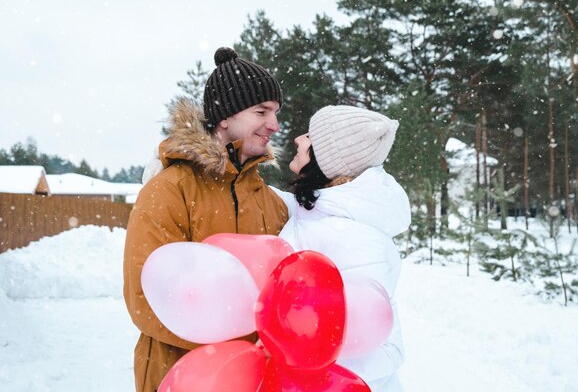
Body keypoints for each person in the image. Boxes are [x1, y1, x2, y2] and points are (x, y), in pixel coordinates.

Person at [123, 47, 289, 392]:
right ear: (225, 117)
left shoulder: (272, 204)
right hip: (180, 376)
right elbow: (145, 299)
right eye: (262, 111)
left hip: (254, 379)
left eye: (275, 112)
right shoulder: (168, 191)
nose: (274, 125)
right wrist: (237, 342)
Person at [273, 105, 411, 392]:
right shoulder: (320, 211)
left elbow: (371, 345)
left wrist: (292, 361)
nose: (299, 139)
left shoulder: (357, 238)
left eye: (311, 137)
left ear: (329, 163)